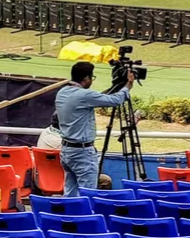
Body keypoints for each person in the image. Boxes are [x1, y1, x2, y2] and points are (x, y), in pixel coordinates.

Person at [55, 61, 134, 196]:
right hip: (82, 151)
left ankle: (69, 215)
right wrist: (128, 85)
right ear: (86, 78)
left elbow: (100, 98)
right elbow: (114, 101)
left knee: (70, 193)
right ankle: (85, 216)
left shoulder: (62, 92)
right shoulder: (84, 95)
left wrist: (115, 86)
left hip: (67, 150)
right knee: (88, 194)